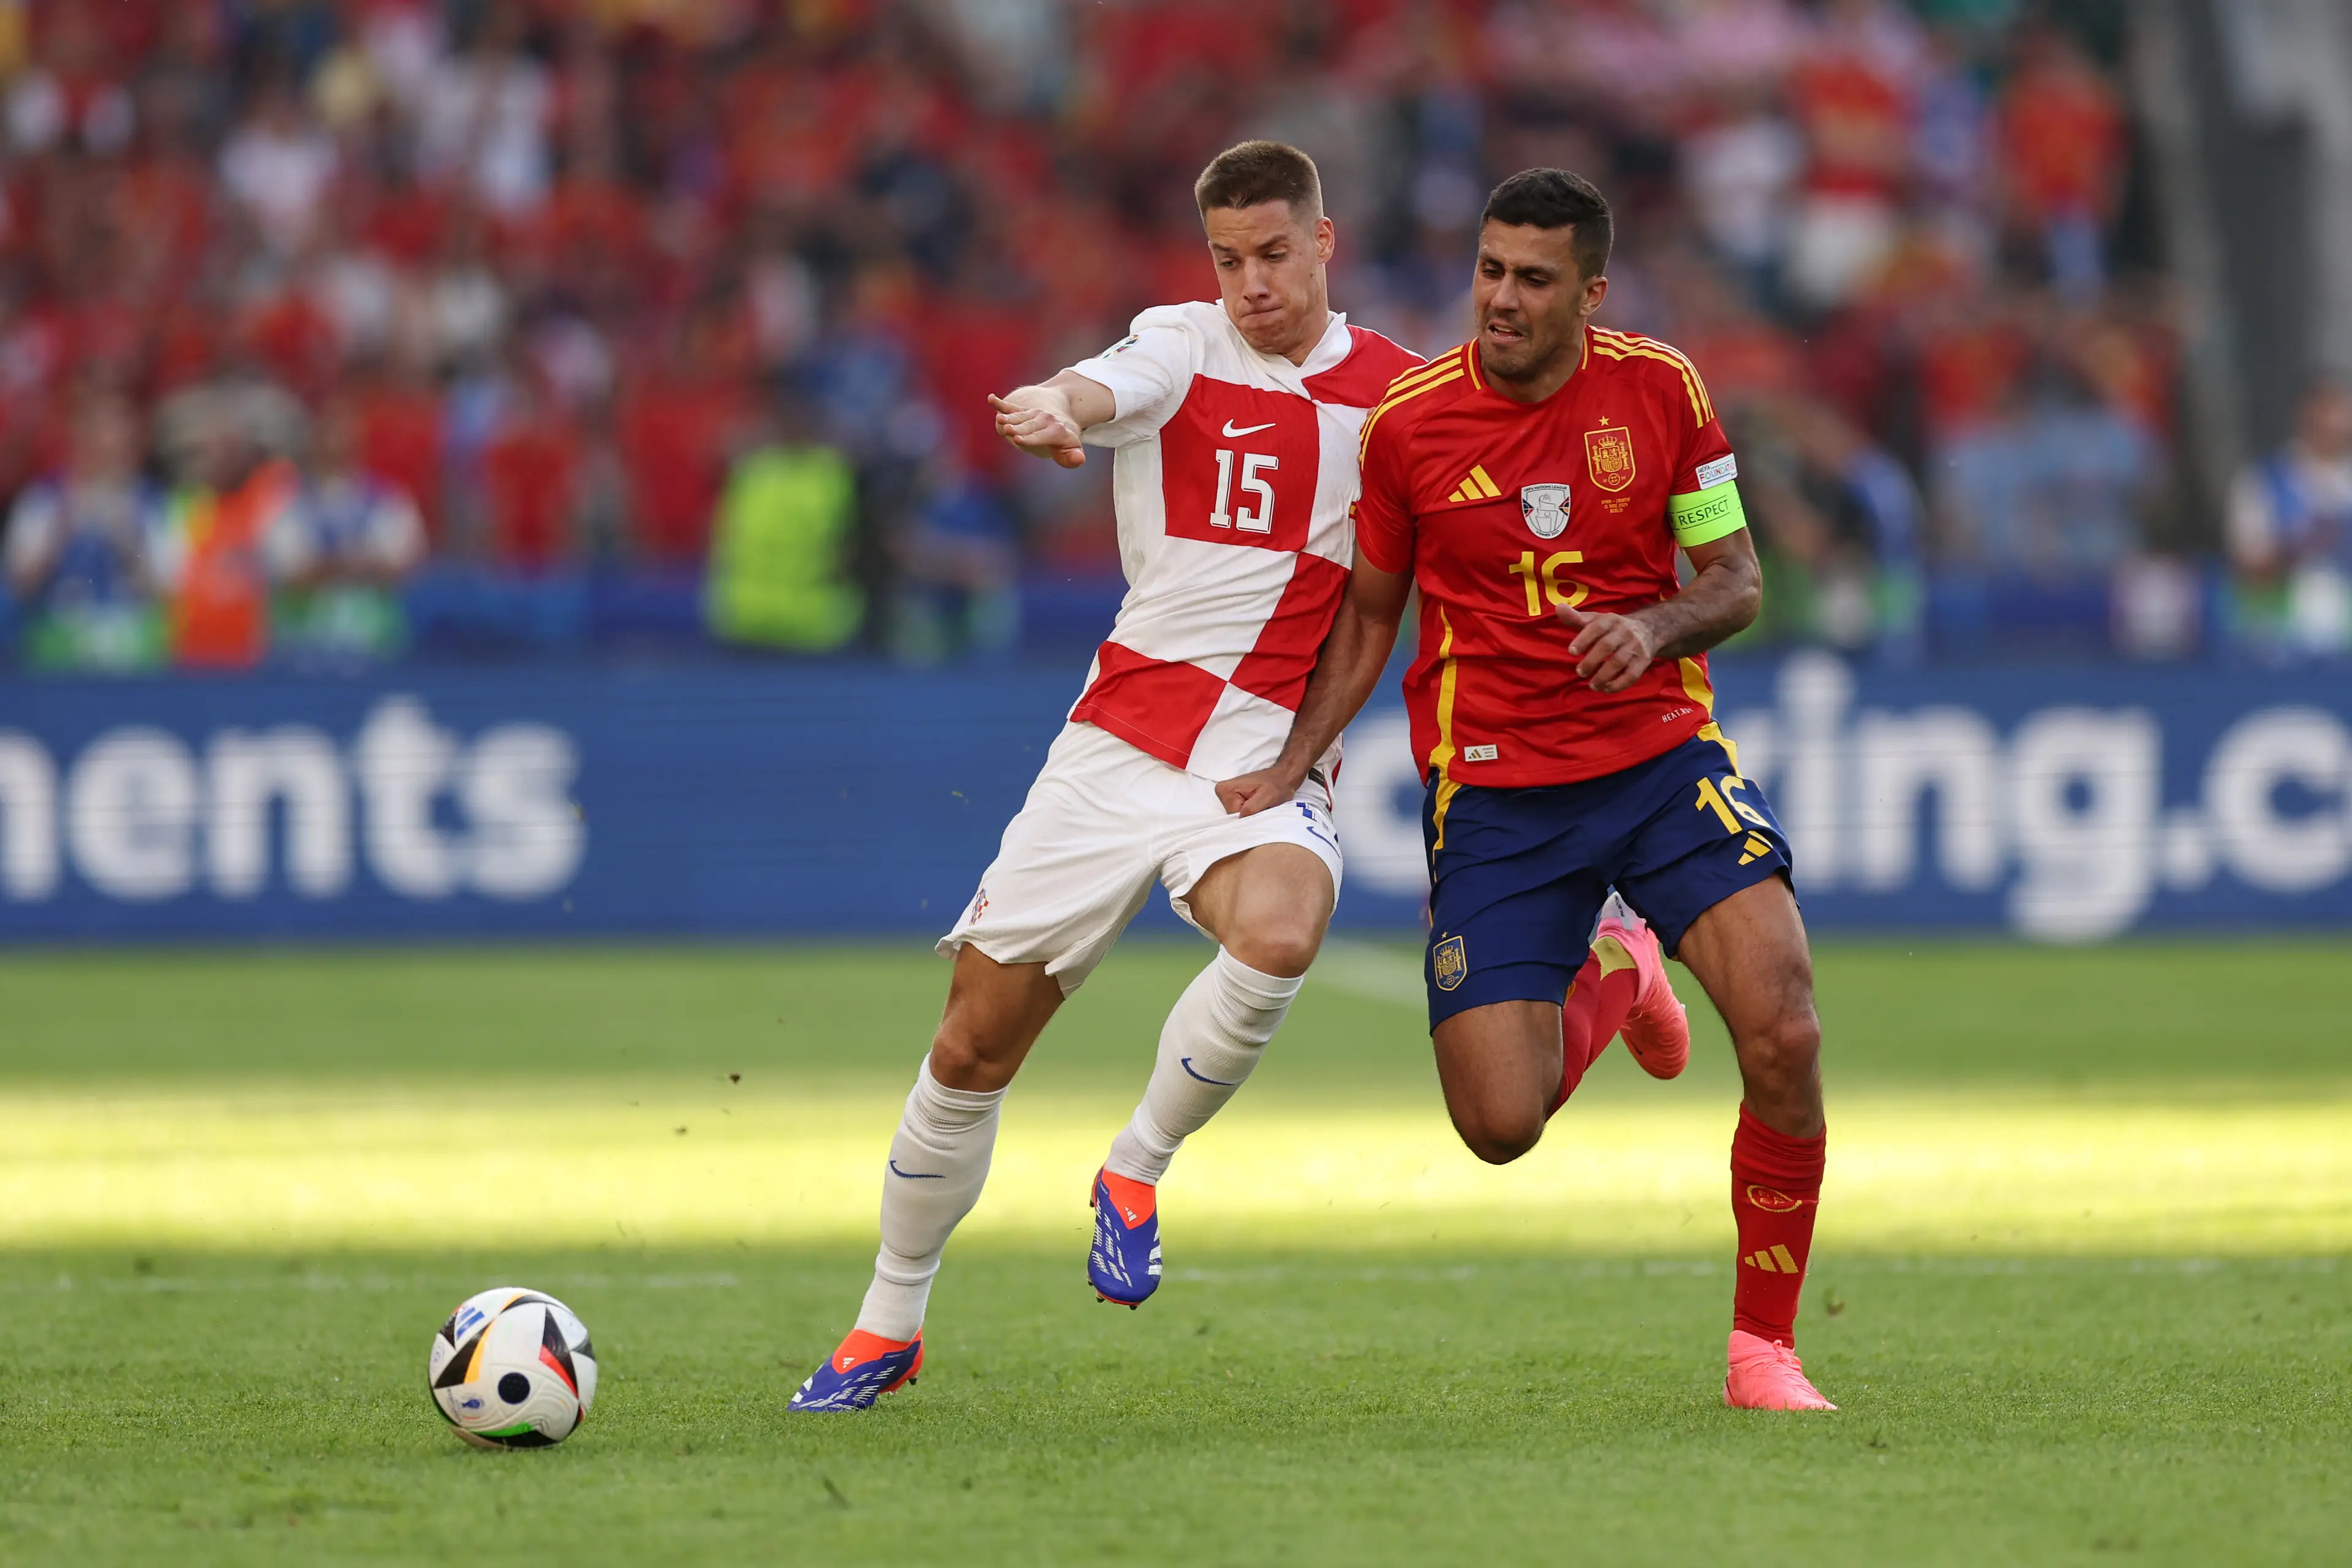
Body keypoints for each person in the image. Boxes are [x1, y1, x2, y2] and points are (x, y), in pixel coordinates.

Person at [788, 140, 1423, 1412]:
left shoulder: (1400, 398)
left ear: (1324, 242)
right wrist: (1051, 408)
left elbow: (1384, 599)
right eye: (1229, 259)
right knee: (972, 1046)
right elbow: (1098, 383)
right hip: (1118, 742)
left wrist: (1301, 758)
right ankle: (888, 1320)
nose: (1251, 283)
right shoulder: (1182, 344)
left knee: (1283, 929)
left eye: (1274, 253)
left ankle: (1134, 1167)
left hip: (1255, 754)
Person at [1219, 168, 1836, 1412]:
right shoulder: (1408, 425)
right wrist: (1293, 760)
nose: (1501, 298)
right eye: (1490, 270)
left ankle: (1762, 1349)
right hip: (1497, 793)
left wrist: (1654, 626)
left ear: (1590, 293)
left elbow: (1736, 579)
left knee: (1784, 1028)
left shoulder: (1664, 391)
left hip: (1659, 759)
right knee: (1500, 1124)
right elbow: (1372, 617)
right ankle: (1621, 970)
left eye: (1534, 279)